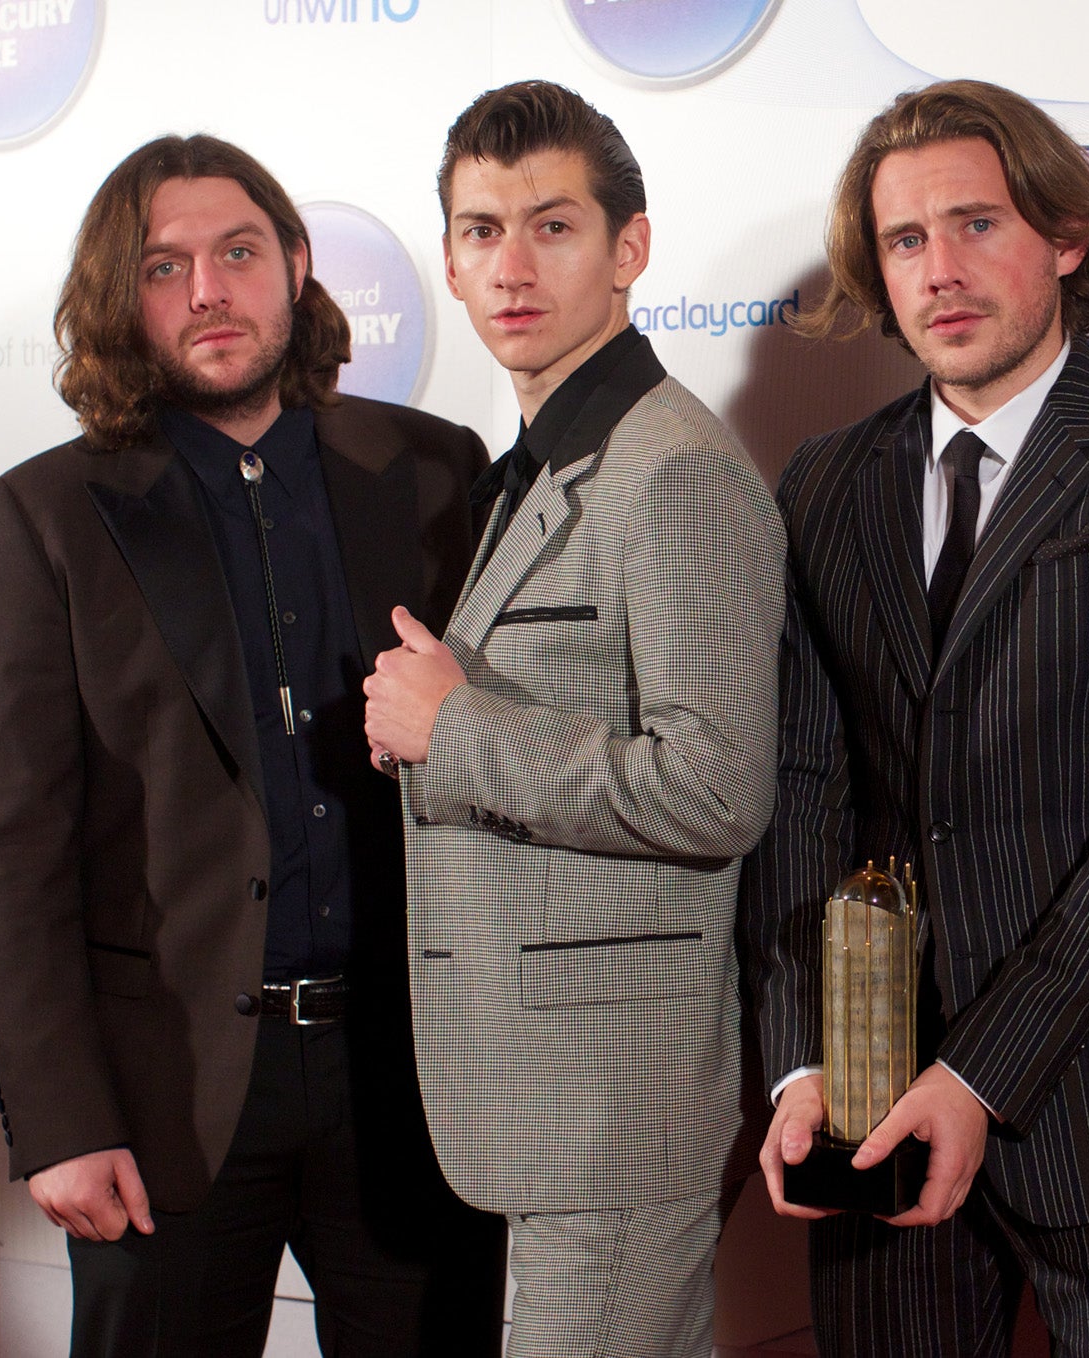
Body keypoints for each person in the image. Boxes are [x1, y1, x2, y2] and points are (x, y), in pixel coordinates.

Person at [742, 78, 1089, 1356]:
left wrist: (979, 1070)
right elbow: (802, 788)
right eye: (905, 240)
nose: (940, 269)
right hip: (868, 1097)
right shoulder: (822, 482)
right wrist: (797, 1059)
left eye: (976, 224)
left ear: (1065, 239)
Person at [0, 134, 505, 1356]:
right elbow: (13, 840)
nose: (207, 290)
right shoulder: (45, 514)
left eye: (238, 252)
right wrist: (57, 1116)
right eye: (163, 266)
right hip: (170, 1099)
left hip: (407, 1082)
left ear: (297, 266)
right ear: (122, 298)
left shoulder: (433, 469)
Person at [360, 80, 785, 1358]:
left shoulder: (675, 471)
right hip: (543, 1096)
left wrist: (460, 729)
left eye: (551, 225)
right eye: (481, 231)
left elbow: (718, 786)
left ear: (629, 248)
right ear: (446, 257)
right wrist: (438, 731)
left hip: (614, 1100)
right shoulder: (550, 458)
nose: (510, 265)